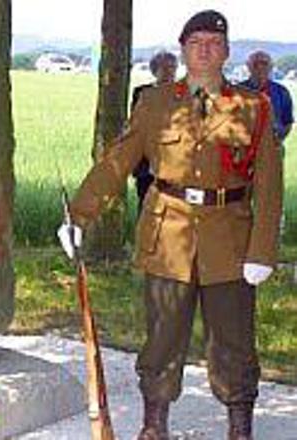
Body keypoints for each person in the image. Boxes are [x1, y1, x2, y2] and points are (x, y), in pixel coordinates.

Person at [57, 10, 281, 440]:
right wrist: (80, 215)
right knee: (162, 338)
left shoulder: (254, 107)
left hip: (230, 241)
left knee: (234, 341)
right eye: (196, 42)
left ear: (226, 51)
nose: (204, 50)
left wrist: (262, 251)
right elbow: (117, 162)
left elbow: (269, 186)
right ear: (182, 50)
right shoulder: (155, 103)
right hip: (167, 236)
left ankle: (240, 427)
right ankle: (154, 425)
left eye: (213, 43)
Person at [131, 51, 179, 214]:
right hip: (146, 162)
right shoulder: (142, 92)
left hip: (174, 160)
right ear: (155, 70)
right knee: (145, 204)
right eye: (164, 68)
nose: (169, 72)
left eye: (173, 67)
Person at [240, 50, 294, 144]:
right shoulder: (237, 91)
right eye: (255, 64)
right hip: (244, 147)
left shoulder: (282, 92)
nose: (260, 67)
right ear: (248, 66)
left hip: (272, 145)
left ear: (271, 67)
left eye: (264, 63)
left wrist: (278, 140)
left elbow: (288, 121)